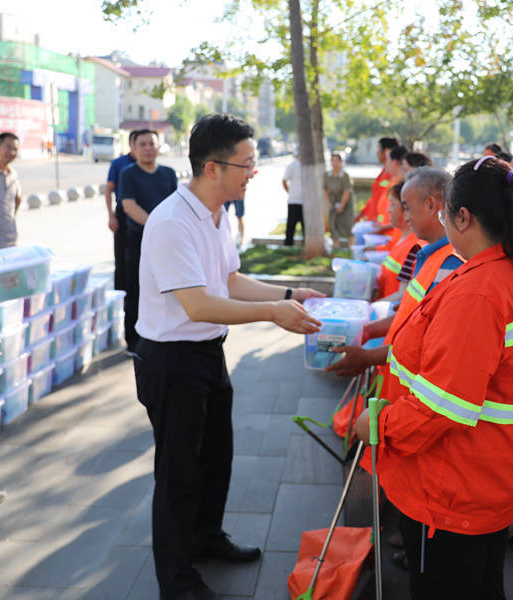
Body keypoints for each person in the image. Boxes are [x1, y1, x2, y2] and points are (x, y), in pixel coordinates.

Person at [134, 113, 323, 600]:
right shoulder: (173, 221)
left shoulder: (216, 216)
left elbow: (230, 280)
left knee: (216, 457)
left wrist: (288, 292)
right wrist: (272, 313)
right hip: (173, 360)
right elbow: (197, 304)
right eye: (247, 164)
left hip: (206, 353)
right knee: (178, 473)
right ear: (212, 167)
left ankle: (205, 538)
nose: (253, 172)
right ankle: (176, 581)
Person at [355, 155, 513, 599]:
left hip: (453, 488)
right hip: (490, 477)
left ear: (463, 217)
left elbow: (441, 406)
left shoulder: (480, 292)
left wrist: (376, 426)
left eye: (446, 214)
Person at [325, 167, 462, 379]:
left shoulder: (450, 264)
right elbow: (411, 317)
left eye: (406, 208)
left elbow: (427, 341)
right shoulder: (427, 255)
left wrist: (369, 357)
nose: (405, 218)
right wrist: (366, 332)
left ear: (431, 205)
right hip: (395, 379)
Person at [118, 129, 179, 353]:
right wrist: (157, 226)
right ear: (133, 149)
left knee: (167, 289)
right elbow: (129, 206)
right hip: (138, 240)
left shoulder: (169, 173)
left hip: (166, 242)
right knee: (135, 290)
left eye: (151, 143)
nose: (147, 148)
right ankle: (133, 341)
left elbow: (176, 206)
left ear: (158, 146)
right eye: (142, 144)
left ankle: (163, 334)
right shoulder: (128, 174)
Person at [375, 181, 420, 301]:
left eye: (393, 205)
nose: (388, 210)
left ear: (406, 209)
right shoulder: (401, 239)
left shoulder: (415, 247)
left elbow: (403, 295)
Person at [106, 130, 139, 290]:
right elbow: (108, 189)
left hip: (143, 214)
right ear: (132, 144)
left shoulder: (158, 170)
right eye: (140, 143)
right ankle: (122, 296)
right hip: (123, 214)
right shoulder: (119, 164)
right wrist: (111, 216)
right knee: (122, 257)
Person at [356, 137, 399, 223]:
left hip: (383, 227)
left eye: (379, 149)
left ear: (387, 152)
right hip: (374, 223)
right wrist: (362, 213)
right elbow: (374, 198)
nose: (377, 152)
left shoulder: (395, 177)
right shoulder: (383, 173)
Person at [323, 153, 354, 245]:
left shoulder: (345, 176)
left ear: (341, 162)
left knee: (348, 227)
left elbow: (346, 191)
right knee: (333, 227)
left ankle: (351, 249)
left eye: (337, 161)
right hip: (332, 203)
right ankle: (336, 248)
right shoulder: (327, 175)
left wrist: (341, 206)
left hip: (346, 204)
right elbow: (324, 189)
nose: (335, 163)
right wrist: (329, 204)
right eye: (333, 161)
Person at [0, 132, 22, 250]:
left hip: (11, 242)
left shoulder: (13, 175)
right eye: (8, 147)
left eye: (15, 149)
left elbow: (17, 201)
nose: (12, 152)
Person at [282, 149, 304, 246]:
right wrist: (290, 192)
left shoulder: (308, 165)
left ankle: (306, 246)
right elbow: (284, 181)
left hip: (306, 202)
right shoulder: (292, 165)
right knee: (291, 226)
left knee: (306, 227)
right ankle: (288, 246)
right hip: (293, 201)